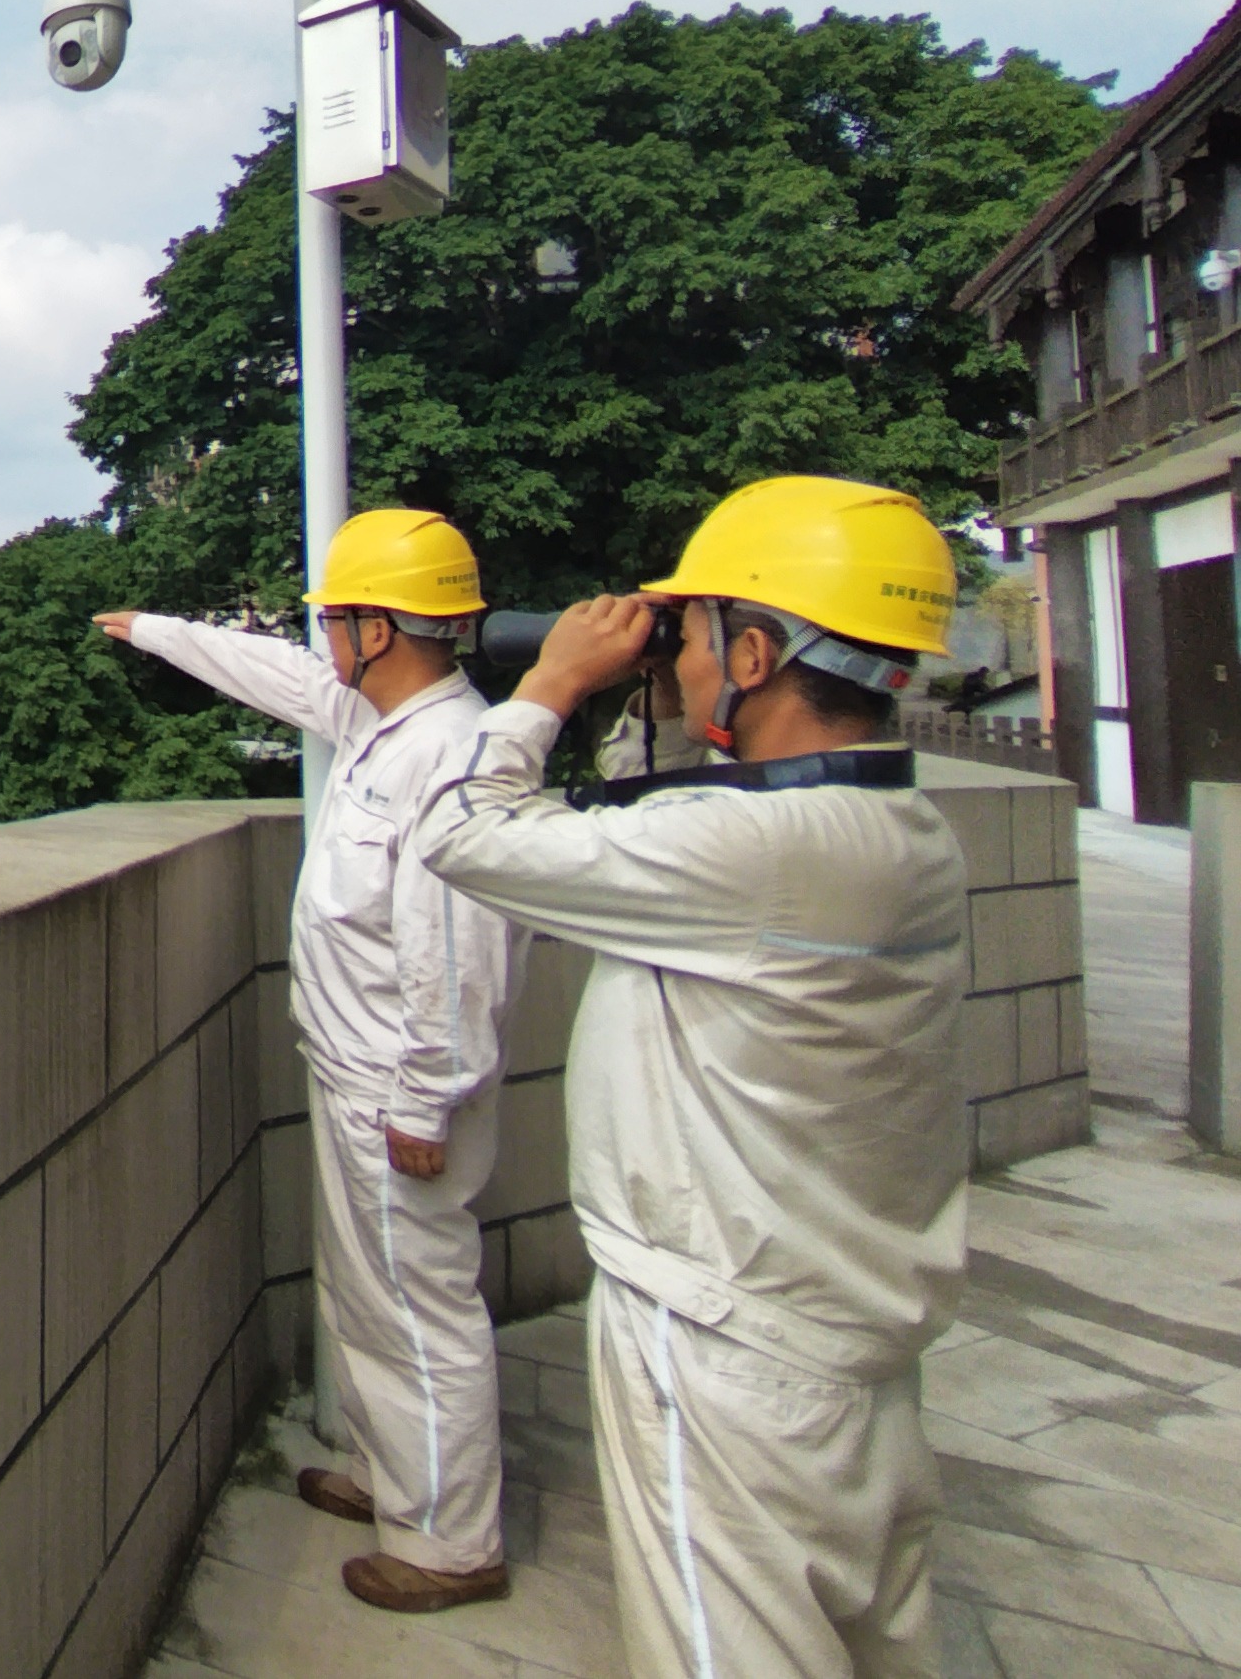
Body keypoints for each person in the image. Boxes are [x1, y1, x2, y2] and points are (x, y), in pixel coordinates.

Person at [408, 475, 969, 1679]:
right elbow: (675, 810)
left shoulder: (751, 852)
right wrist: (671, 704)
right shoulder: (898, 832)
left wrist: (552, 685)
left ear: (757, 652)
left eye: (699, 631)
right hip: (847, 1333)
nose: (680, 653)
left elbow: (457, 834)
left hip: (727, 1344)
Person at [97, 508, 521, 1615]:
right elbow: (275, 675)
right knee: (373, 1295)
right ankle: (393, 1478)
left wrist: (427, 1100)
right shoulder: (388, 721)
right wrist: (154, 631)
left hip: (402, 1090)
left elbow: (459, 956)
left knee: (419, 1304)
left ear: (378, 629)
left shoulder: (452, 757)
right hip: (361, 1074)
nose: (323, 634)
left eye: (336, 617)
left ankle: (450, 1543)